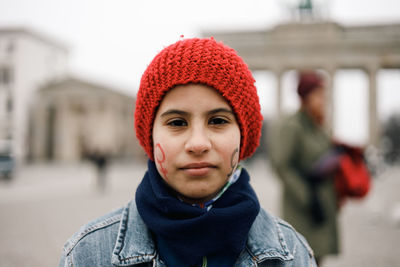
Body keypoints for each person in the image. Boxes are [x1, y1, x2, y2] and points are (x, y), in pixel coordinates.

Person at [59, 37, 317, 267]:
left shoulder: (295, 255)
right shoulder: (86, 255)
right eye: (177, 123)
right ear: (150, 135)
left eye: (218, 121)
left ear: (244, 133)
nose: (198, 143)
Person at [269, 71, 339, 265]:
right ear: (305, 97)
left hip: (322, 205)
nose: (323, 100)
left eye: (324, 96)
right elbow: (281, 165)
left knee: (318, 258)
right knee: (302, 257)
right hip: (302, 208)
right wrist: (307, 197)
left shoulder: (319, 127)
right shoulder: (292, 126)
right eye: (318, 95)